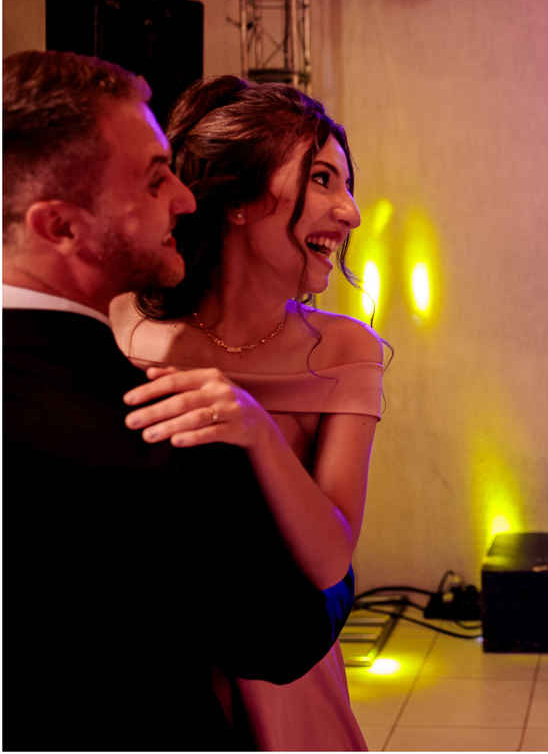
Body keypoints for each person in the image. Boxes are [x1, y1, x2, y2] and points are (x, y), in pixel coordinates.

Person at [2, 50, 354, 750]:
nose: (185, 198)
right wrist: (337, 584)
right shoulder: (168, 424)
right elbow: (285, 633)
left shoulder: (338, 351)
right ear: (61, 226)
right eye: (154, 178)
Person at [109, 75, 386, 750]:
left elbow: (331, 560)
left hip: (287, 664)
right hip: (153, 670)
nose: (350, 213)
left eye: (347, 185)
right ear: (237, 201)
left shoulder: (345, 350)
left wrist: (257, 430)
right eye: (322, 180)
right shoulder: (125, 325)